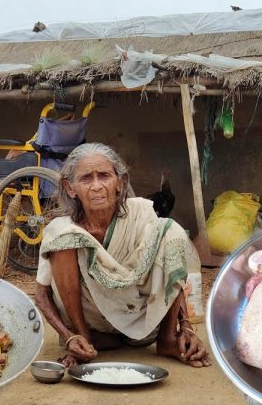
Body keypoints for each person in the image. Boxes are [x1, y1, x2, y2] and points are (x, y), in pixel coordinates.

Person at [34, 142, 211, 368]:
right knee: (62, 237)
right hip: (91, 324)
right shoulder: (63, 229)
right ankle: (84, 338)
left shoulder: (140, 214)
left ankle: (167, 339)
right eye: (86, 179)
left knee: (170, 229)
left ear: (120, 183)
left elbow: (168, 263)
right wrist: (69, 336)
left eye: (105, 176)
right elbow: (41, 295)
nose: (97, 186)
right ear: (71, 188)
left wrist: (184, 326)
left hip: (141, 320)